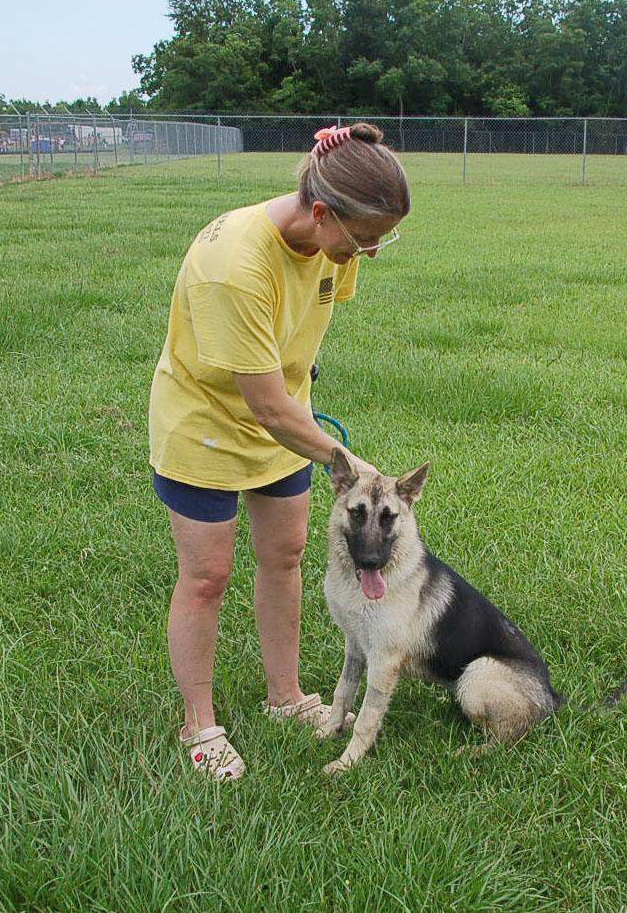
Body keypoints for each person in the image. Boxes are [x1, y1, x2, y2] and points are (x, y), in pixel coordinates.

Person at [148, 122, 410, 779]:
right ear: (321, 212)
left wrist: (304, 386)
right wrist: (353, 466)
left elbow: (302, 336)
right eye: (365, 237)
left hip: (284, 424)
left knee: (285, 556)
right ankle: (198, 724)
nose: (372, 251)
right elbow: (262, 407)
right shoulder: (234, 264)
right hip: (206, 427)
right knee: (207, 577)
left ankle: (283, 695)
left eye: (384, 236)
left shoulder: (331, 248)